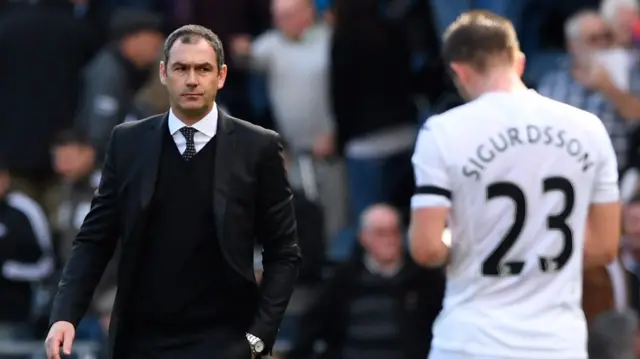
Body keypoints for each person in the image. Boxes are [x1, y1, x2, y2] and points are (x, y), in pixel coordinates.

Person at [45, 24, 301, 359]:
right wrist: (65, 315)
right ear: (164, 73)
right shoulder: (128, 142)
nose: (192, 79)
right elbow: (94, 239)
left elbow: (283, 251)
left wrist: (259, 337)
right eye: (181, 68)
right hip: (142, 340)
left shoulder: (258, 147)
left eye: (203, 69)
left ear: (221, 76)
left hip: (226, 340)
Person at [409, 11, 621, 359]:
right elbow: (603, 247)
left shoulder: (444, 131)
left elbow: (427, 248)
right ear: (518, 62)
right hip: (558, 344)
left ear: (459, 71)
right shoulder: (588, 128)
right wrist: (537, 246)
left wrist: (461, 243)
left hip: (471, 342)